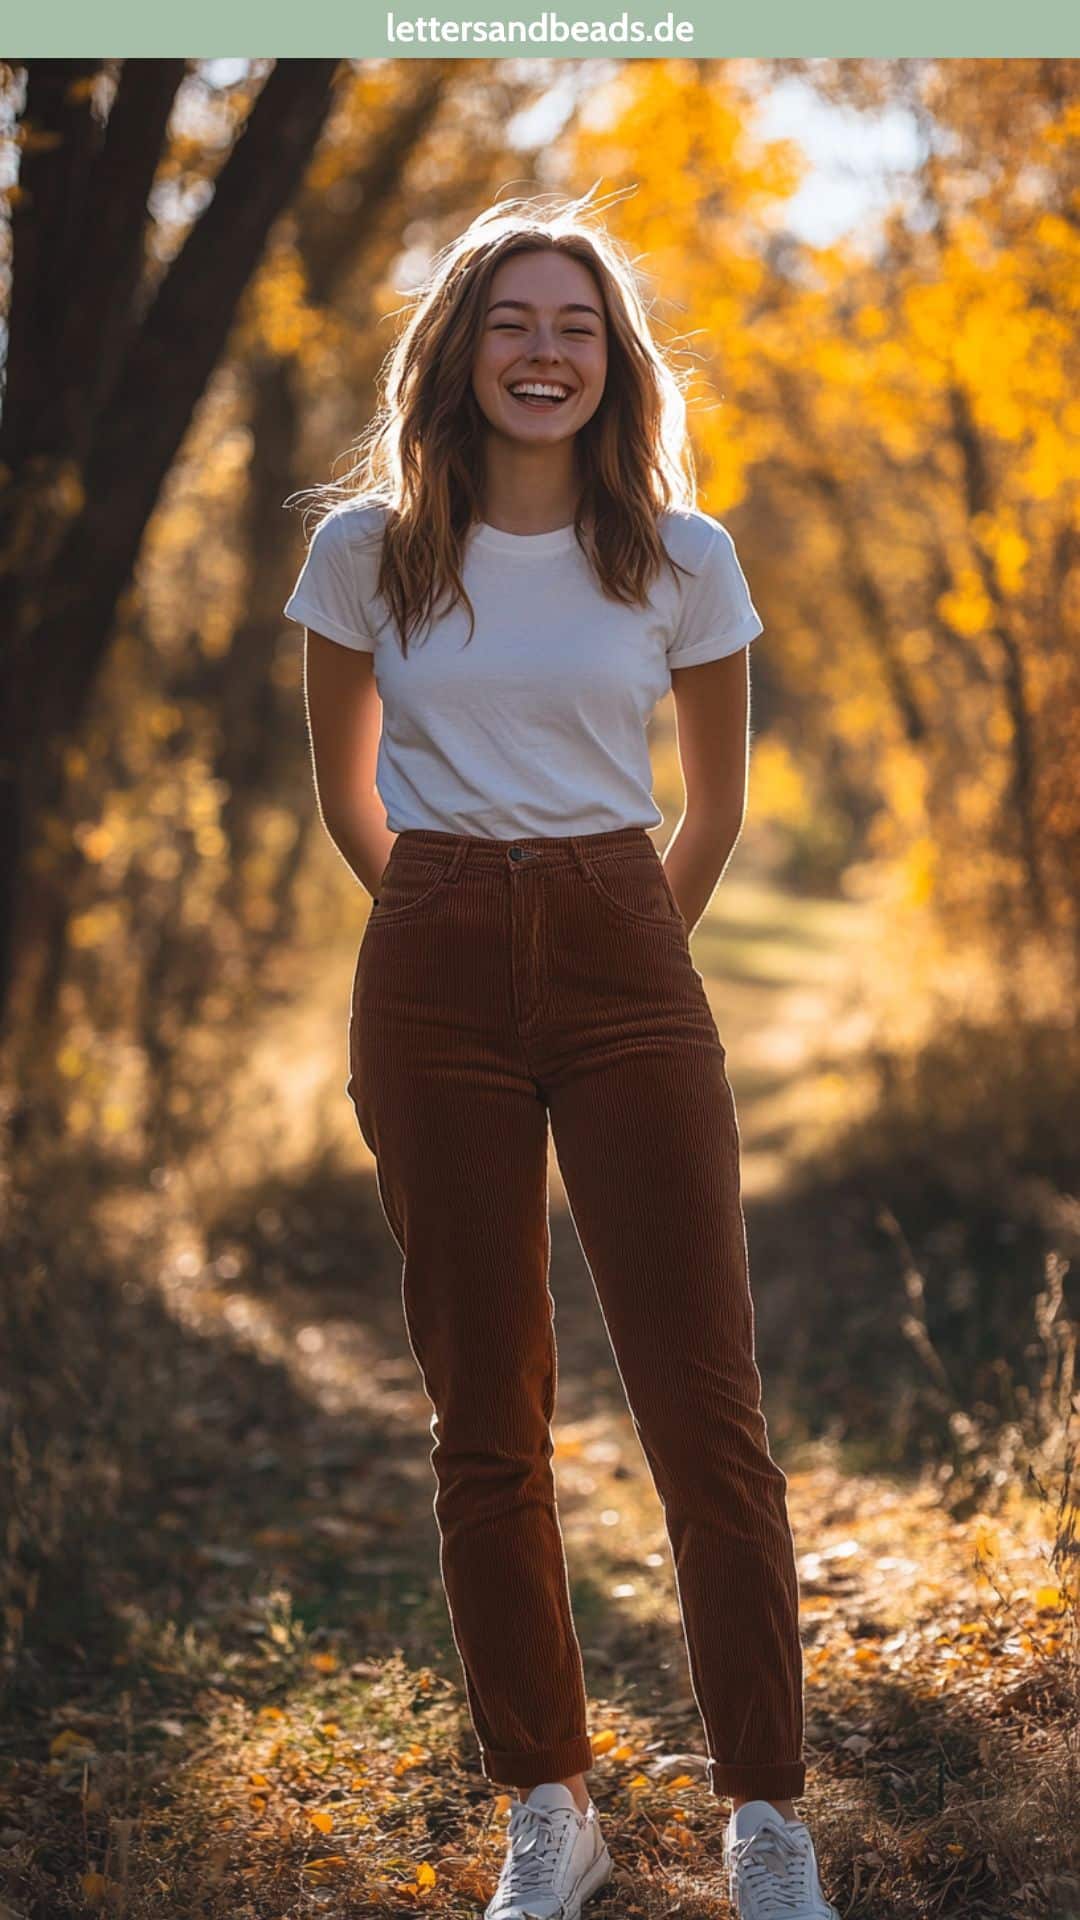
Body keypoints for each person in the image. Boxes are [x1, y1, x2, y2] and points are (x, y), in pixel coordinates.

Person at [282, 188, 838, 1920]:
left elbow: (718, 803)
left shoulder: (685, 556)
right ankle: (551, 1798)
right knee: (486, 1412)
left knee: (701, 1398)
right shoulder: (367, 552)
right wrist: (447, 917)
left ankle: (767, 1810)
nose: (546, 352)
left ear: (615, 362)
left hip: (628, 956)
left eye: (576, 326)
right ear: (459, 351)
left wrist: (617, 936)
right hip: (429, 959)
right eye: (514, 322)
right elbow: (345, 795)